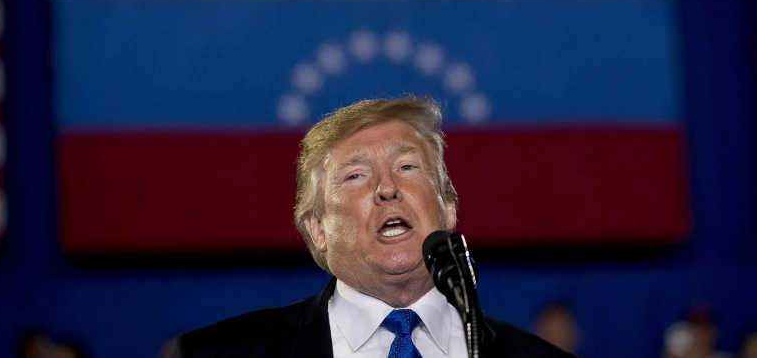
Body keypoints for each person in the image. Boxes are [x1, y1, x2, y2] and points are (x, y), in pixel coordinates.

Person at [171, 97, 576, 358]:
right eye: (356, 176)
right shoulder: (215, 354)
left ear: (448, 208)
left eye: (407, 167)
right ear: (318, 229)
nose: (387, 187)